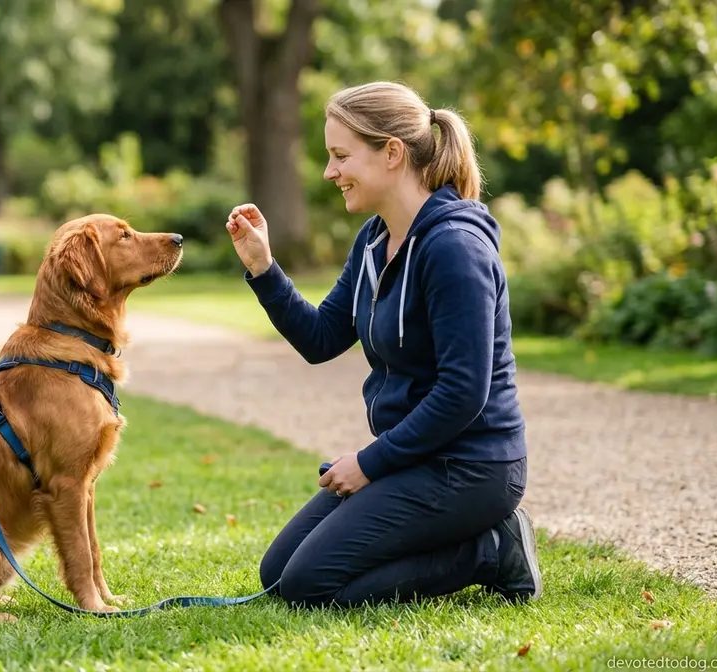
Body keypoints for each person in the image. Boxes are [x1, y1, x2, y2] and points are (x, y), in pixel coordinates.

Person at [226, 81, 542, 610]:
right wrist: (263, 267)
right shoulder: (375, 238)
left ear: (392, 153)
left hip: (471, 467)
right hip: (416, 457)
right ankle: (464, 541)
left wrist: (370, 462)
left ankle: (490, 549)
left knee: (309, 586)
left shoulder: (454, 248)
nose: (330, 172)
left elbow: (464, 392)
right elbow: (321, 338)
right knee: (278, 573)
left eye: (341, 156)